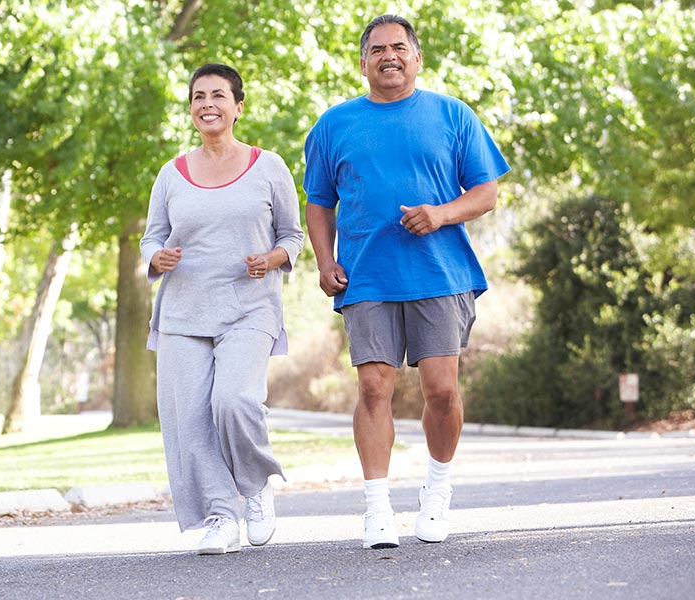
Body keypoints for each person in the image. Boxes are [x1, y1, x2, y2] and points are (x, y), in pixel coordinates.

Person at [303, 15, 510, 550]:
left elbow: (485, 193)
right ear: (363, 61)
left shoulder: (452, 115)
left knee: (441, 391)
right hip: (367, 275)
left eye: (399, 47)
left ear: (417, 57)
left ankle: (436, 492)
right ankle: (377, 508)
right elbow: (319, 204)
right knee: (374, 388)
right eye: (377, 49)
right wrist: (324, 261)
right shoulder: (333, 125)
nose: (388, 56)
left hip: (440, 274)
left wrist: (440, 215)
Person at [140, 63, 304, 555]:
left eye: (217, 95)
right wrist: (157, 256)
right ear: (190, 108)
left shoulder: (269, 165)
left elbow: (292, 236)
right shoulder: (172, 174)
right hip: (184, 312)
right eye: (197, 96)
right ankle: (220, 516)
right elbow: (151, 236)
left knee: (233, 400)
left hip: (249, 307)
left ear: (238, 105)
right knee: (188, 419)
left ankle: (254, 487)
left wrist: (274, 258)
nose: (207, 103)